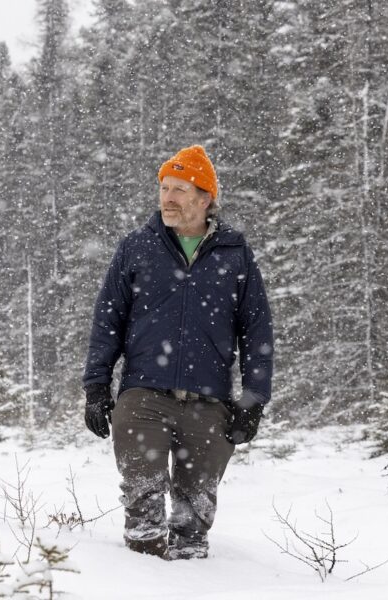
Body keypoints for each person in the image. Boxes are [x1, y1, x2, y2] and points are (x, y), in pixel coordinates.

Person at [82, 145, 274, 560]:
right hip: (143, 397)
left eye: (180, 189)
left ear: (205, 198)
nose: (167, 198)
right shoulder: (137, 247)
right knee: (144, 513)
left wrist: (253, 398)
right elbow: (107, 320)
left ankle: (191, 583)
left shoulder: (234, 252)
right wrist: (97, 386)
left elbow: (256, 331)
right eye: (164, 188)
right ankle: (143, 580)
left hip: (208, 404)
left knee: (193, 525)